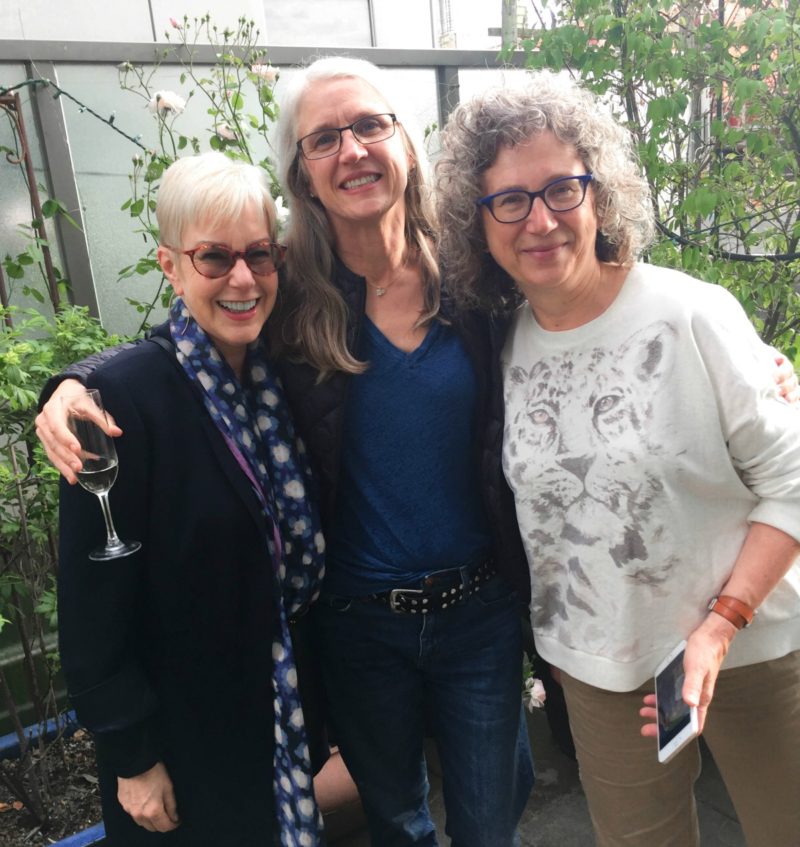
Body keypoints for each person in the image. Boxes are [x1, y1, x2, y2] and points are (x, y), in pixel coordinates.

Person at [37, 58, 534, 847]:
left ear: (405, 141)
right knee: (397, 821)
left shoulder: (474, 277)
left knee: (491, 817)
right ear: (303, 173)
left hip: (479, 613)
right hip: (360, 623)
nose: (354, 150)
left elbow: (570, 291)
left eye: (370, 125)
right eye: (325, 137)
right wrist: (74, 382)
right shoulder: (292, 293)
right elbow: (178, 346)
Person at [435, 70, 800, 847]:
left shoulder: (689, 312)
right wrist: (556, 645)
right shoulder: (497, 350)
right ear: (481, 222)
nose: (540, 220)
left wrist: (718, 627)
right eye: (510, 199)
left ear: (599, 194)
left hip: (751, 648)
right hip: (602, 670)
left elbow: (792, 482)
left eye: (561, 188)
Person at [56, 152, 325, 847]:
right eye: (214, 257)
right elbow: (91, 607)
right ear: (170, 266)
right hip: (181, 744)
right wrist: (131, 755)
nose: (242, 278)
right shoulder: (120, 403)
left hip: (272, 718)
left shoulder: (275, 380)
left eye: (259, 256)